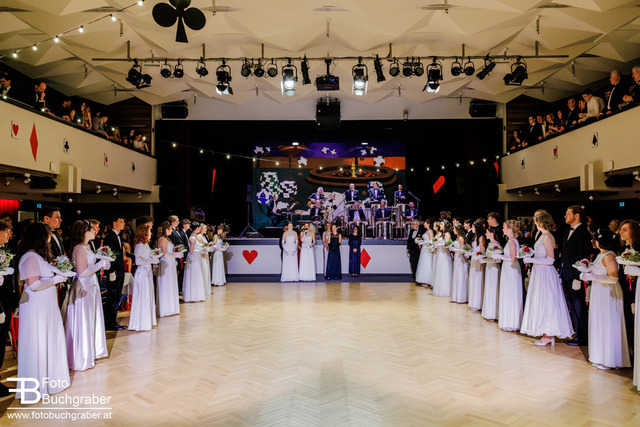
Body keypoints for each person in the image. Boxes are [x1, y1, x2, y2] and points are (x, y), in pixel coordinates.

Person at [16, 223, 70, 400]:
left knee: (47, 340)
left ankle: (49, 379)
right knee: (38, 342)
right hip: (37, 307)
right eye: (48, 235)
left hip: (45, 307)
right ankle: (38, 384)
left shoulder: (37, 257)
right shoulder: (30, 257)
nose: (49, 239)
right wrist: (56, 279)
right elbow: (34, 284)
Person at [521, 212, 574, 346]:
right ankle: (546, 333)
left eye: (536, 220)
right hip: (539, 272)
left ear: (541, 222)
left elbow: (550, 260)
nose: (534, 221)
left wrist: (532, 260)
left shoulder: (548, 237)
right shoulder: (542, 236)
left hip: (545, 273)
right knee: (541, 301)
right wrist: (530, 254)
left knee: (546, 302)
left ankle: (548, 335)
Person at [580, 229, 630, 369]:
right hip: (599, 292)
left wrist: (592, 277)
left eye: (594, 239)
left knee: (608, 323)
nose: (592, 241)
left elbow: (613, 279)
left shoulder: (609, 256)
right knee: (599, 323)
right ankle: (600, 356)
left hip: (608, 293)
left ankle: (610, 359)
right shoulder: (599, 255)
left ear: (599, 242)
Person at [64, 220, 110, 371]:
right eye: (92, 230)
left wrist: (104, 263)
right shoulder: (79, 248)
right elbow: (82, 272)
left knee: (92, 318)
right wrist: (99, 264)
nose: (95, 231)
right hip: (84, 287)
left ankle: (91, 351)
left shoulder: (87, 247)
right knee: (85, 319)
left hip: (92, 285)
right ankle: (82, 356)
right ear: (85, 232)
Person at [560, 205, 593, 346]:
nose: (565, 216)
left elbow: (583, 256)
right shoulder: (568, 231)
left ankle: (582, 337)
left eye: (568, 214)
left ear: (577, 215)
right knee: (572, 306)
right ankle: (576, 333)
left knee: (579, 306)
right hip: (566, 274)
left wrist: (577, 277)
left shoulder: (583, 232)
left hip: (575, 276)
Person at [491, 220, 523, 332]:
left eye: (504, 227)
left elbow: (513, 259)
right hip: (509, 268)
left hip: (511, 269)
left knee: (510, 293)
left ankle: (511, 322)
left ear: (509, 229)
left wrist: (499, 256)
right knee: (509, 293)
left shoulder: (512, 241)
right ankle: (510, 320)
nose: (502, 229)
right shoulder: (512, 240)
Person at [0, 220, 19, 397]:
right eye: (6, 232)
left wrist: (15, 302)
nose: (9, 235)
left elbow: (12, 281)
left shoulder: (6, 251)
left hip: (7, 303)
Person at [129, 225, 158, 331]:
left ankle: (148, 321)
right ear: (144, 233)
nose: (151, 233)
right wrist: (151, 260)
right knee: (143, 297)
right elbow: (138, 262)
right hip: (142, 274)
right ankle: (141, 323)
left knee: (148, 297)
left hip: (148, 273)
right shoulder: (139, 246)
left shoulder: (146, 245)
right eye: (149, 232)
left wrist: (154, 256)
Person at [618, 219, 640, 353]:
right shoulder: (623, 249)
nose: (621, 232)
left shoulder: (638, 250)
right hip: (625, 289)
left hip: (636, 289)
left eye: (625, 230)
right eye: (621, 229)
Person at [103, 216, 126, 331]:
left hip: (120, 270)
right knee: (112, 297)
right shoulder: (109, 237)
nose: (123, 224)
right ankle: (110, 323)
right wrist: (111, 271)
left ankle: (113, 321)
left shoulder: (119, 236)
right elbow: (107, 255)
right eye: (121, 222)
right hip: (114, 271)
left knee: (117, 297)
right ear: (114, 223)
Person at [41, 206, 67, 308]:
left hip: (59, 278)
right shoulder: (41, 235)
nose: (60, 220)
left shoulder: (55, 233)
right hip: (49, 280)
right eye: (57, 217)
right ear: (46, 219)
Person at [156, 221, 181, 317]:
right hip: (166, 263)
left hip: (170, 263)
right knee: (166, 284)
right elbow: (165, 254)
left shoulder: (166, 239)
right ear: (166, 230)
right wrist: (176, 255)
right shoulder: (163, 239)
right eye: (170, 229)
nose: (171, 231)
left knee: (170, 284)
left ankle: (171, 308)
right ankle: (166, 309)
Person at [481, 227, 501, 321]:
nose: (486, 234)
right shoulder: (489, 244)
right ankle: (488, 312)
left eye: (487, 232)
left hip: (494, 268)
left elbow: (499, 259)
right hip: (489, 267)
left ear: (491, 234)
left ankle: (493, 313)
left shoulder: (497, 244)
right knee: (488, 288)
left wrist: (490, 260)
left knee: (493, 289)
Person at [183, 222, 205, 303]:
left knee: (196, 275)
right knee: (194, 275)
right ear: (196, 228)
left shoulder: (194, 236)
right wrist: (201, 251)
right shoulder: (193, 238)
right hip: (193, 258)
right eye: (198, 227)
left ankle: (196, 295)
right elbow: (191, 251)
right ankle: (193, 295)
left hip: (196, 258)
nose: (199, 229)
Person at [467, 220, 486, 311]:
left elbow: (482, 252)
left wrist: (474, 254)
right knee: (473, 280)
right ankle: (473, 302)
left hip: (478, 261)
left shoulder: (481, 238)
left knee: (478, 280)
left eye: (473, 227)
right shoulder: (475, 237)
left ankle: (478, 303)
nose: (472, 228)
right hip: (474, 260)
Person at [432, 220, 453, 298]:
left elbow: (447, 245)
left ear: (445, 225)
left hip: (445, 254)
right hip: (439, 253)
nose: (440, 225)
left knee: (444, 271)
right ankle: (439, 289)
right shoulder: (441, 234)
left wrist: (439, 244)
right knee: (439, 271)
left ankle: (445, 290)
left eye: (441, 224)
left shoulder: (447, 234)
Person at [451, 224, 469, 304]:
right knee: (456, 276)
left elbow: (462, 251)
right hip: (456, 258)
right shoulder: (457, 238)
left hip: (460, 259)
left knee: (460, 276)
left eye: (454, 229)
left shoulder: (461, 238)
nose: (453, 230)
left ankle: (461, 297)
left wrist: (454, 249)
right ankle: (456, 296)